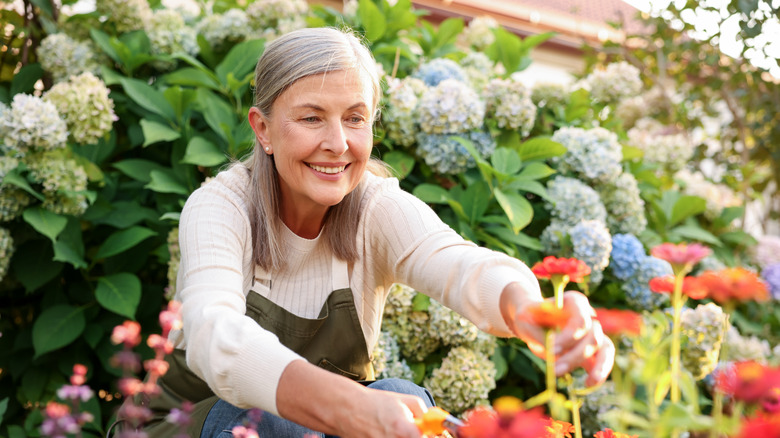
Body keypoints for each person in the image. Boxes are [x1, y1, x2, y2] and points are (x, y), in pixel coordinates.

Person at [144, 27, 615, 438]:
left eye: (355, 118)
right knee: (275, 419)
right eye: (311, 118)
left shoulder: (375, 206)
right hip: (191, 424)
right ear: (263, 129)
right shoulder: (220, 206)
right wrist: (351, 405)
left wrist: (532, 312)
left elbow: (459, 263)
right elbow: (214, 334)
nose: (337, 143)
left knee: (400, 395)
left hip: (317, 426)